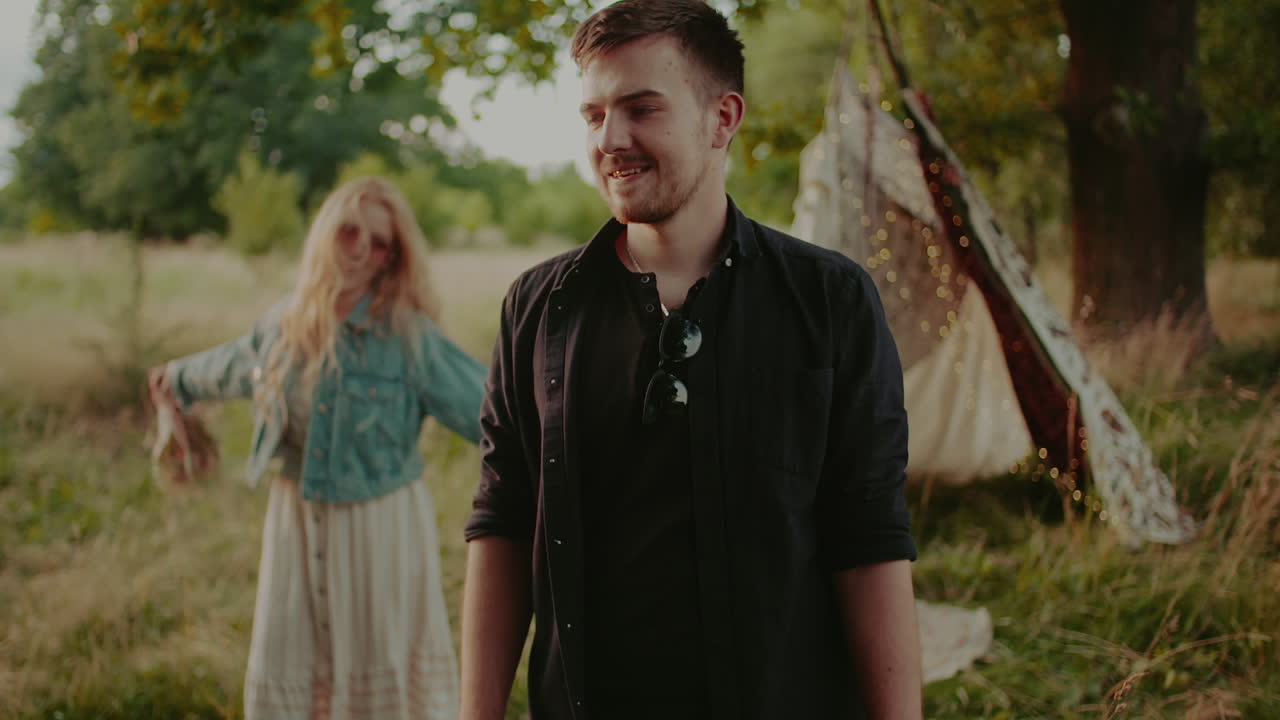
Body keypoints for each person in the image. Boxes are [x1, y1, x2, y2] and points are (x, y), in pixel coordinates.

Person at [459, 0, 923, 718]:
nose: (611, 137)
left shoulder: (830, 300)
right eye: (593, 115)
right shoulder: (538, 307)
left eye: (642, 109)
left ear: (723, 119)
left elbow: (869, 541)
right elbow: (503, 525)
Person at [148, 176, 486, 720]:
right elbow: (234, 365)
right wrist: (175, 379)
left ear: (391, 258)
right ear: (327, 233)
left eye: (378, 243)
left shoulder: (408, 336)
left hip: (379, 526)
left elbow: (494, 413)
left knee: (378, 677)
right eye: (350, 232)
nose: (359, 251)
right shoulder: (283, 326)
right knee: (298, 667)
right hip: (296, 521)